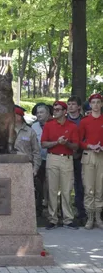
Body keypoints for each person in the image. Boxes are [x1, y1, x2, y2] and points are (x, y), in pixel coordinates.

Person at [41, 101, 79, 230]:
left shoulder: (72, 126)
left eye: (58, 109)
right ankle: (53, 219)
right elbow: (43, 144)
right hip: (52, 158)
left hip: (67, 159)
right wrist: (57, 142)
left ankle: (68, 219)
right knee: (52, 189)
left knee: (67, 190)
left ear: (64, 112)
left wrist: (66, 143)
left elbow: (76, 146)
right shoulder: (49, 125)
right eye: (54, 109)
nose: (55, 111)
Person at [79, 93, 103, 230]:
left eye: (98, 102)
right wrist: (89, 146)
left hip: (101, 155)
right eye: (93, 102)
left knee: (100, 188)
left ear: (101, 104)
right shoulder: (84, 121)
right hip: (89, 155)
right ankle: (90, 217)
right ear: (90, 104)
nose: (95, 105)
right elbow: (79, 141)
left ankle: (98, 217)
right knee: (89, 188)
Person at [67, 95, 86, 224]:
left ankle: (81, 212)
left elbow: (86, 138)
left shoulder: (83, 121)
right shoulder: (63, 120)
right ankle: (65, 214)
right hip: (66, 156)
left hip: (80, 157)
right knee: (65, 186)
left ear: (79, 107)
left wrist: (79, 152)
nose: (70, 106)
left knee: (80, 185)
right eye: (69, 104)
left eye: (73, 104)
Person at [32, 104, 50, 217]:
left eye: (41, 112)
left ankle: (50, 209)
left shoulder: (53, 125)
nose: (39, 114)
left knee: (50, 187)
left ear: (48, 114)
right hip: (39, 160)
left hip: (51, 159)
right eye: (37, 113)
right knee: (38, 185)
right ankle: (38, 210)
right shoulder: (33, 126)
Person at [14, 106, 41, 178]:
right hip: (11, 164)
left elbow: (36, 152)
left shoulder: (30, 132)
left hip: (26, 164)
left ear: (19, 117)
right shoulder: (6, 131)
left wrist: (35, 169)